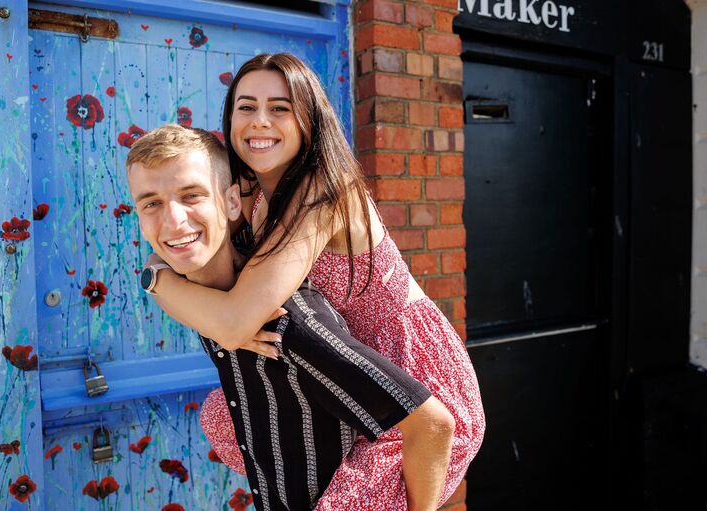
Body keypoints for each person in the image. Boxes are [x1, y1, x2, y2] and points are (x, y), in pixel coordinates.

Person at [147, 53, 486, 510]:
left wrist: (159, 283)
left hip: (414, 375)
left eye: (280, 108)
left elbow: (232, 321)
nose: (259, 121)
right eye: (246, 107)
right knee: (230, 420)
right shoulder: (244, 189)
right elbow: (181, 244)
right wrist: (160, 272)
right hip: (340, 372)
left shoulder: (324, 191)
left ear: (309, 118)